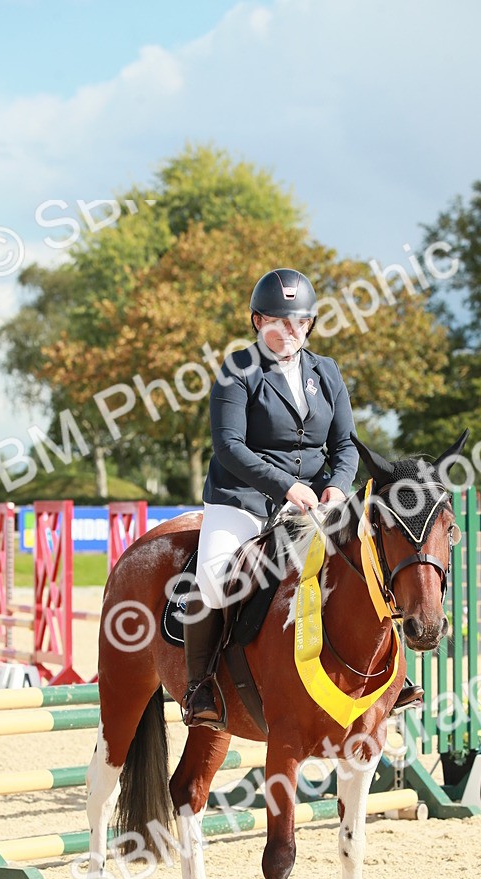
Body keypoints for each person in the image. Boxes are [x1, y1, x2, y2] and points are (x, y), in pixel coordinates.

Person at [181, 267, 422, 727]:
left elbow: (346, 444)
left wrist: (336, 484)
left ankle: (390, 678)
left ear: (309, 324)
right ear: (257, 321)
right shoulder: (238, 370)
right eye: (277, 320)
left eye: (298, 322)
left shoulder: (325, 370)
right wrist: (286, 487)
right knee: (213, 579)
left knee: (368, 562)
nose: (288, 331)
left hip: (317, 502)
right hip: (243, 500)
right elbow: (229, 447)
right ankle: (200, 687)